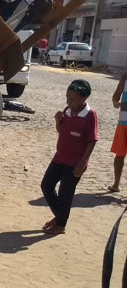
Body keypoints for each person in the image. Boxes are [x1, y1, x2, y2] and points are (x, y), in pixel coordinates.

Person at [40, 79, 97, 234]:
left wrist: (83, 161)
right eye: (67, 98)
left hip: (75, 162)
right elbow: (61, 131)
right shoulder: (67, 110)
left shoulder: (90, 116)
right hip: (60, 158)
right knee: (46, 185)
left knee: (66, 192)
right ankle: (60, 216)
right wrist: (57, 121)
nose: (68, 101)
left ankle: (61, 225)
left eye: (72, 99)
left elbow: (92, 141)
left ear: (83, 99)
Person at [109, 73, 127, 192]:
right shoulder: (125, 76)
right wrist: (116, 102)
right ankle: (115, 184)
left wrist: (116, 102)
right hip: (124, 122)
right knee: (120, 155)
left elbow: (116, 96)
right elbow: (116, 96)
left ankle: (116, 185)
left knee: (120, 155)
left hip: (124, 122)